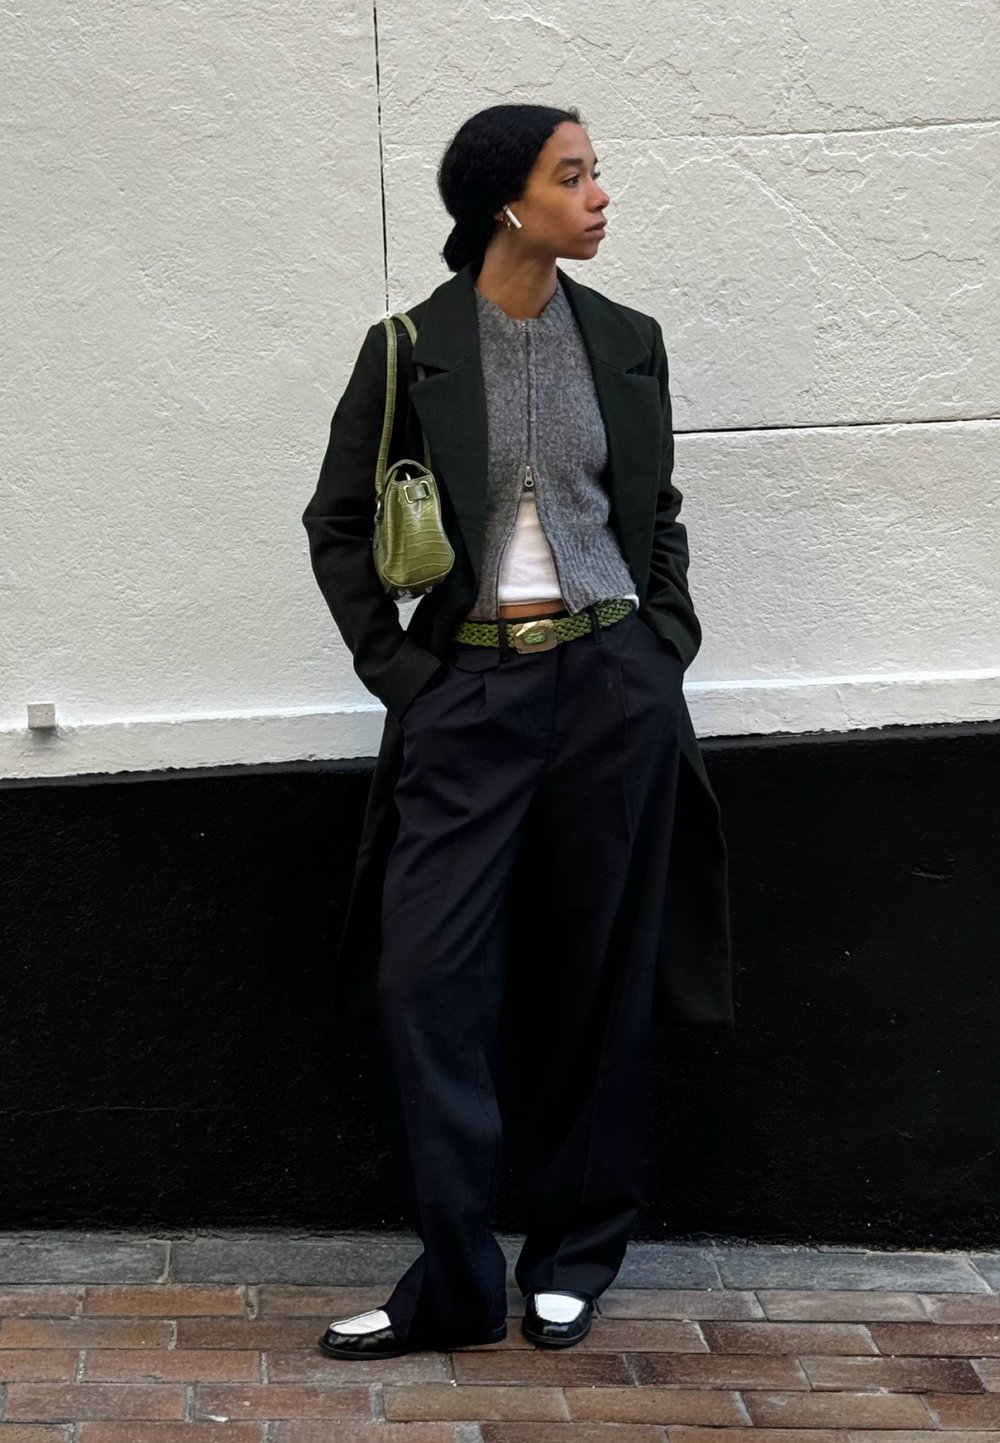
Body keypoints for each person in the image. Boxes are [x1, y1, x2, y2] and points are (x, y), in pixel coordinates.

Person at [302, 102, 734, 1361]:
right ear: (507, 201)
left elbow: (657, 508)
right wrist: (403, 675)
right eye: (574, 175)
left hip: (612, 690)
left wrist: (662, 645)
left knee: (596, 975)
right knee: (426, 976)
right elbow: (338, 524)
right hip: (471, 696)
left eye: (595, 173)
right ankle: (450, 1279)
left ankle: (573, 1252)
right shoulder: (406, 350)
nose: (599, 196)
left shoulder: (629, 341)